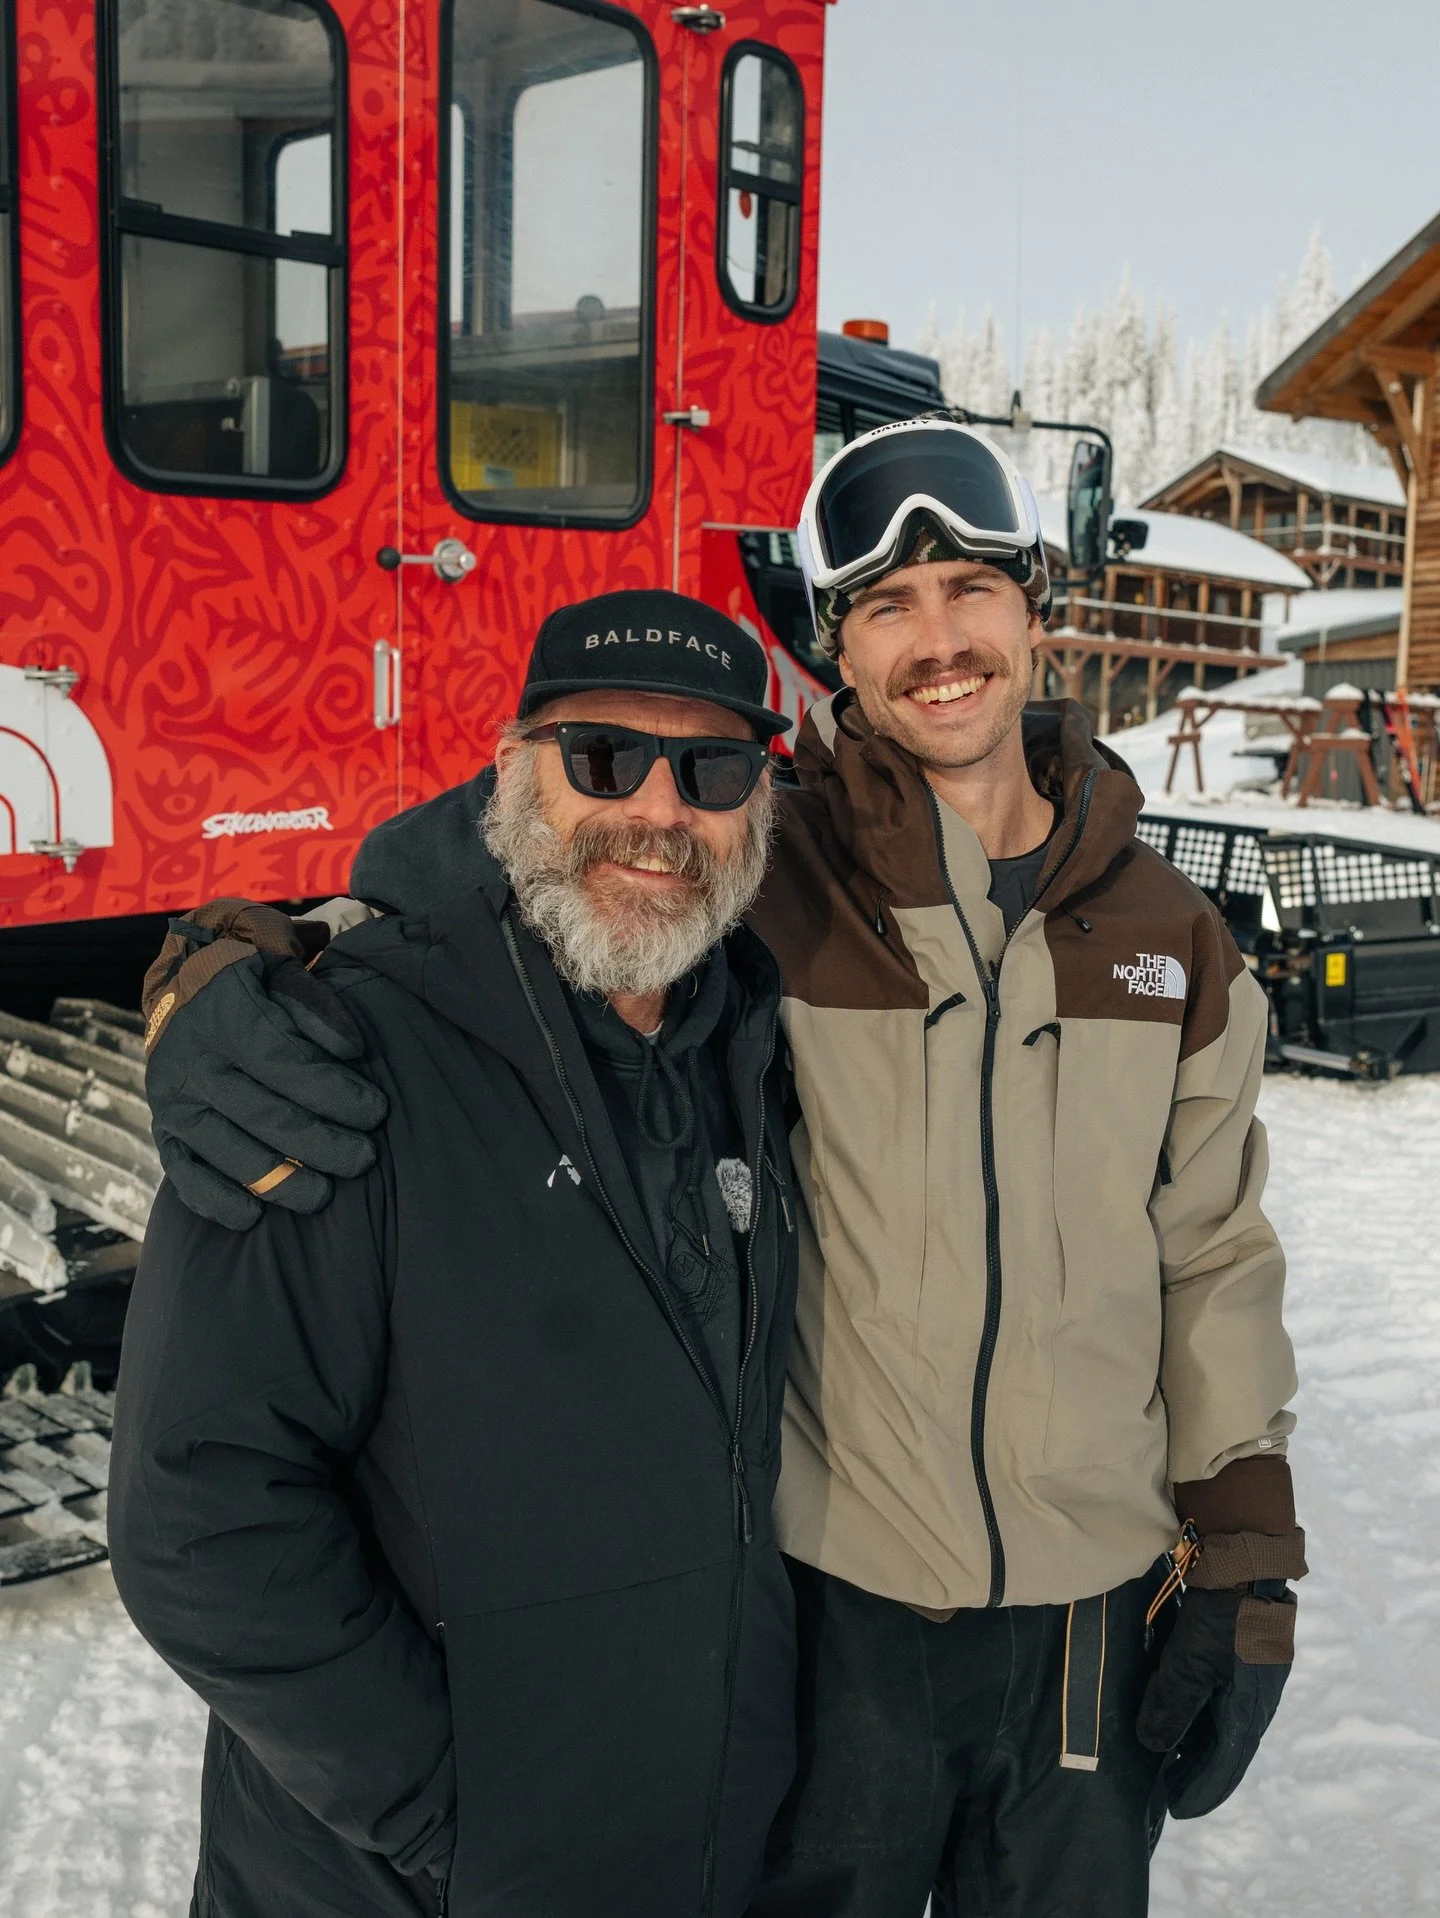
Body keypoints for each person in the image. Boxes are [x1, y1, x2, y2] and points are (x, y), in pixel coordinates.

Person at [136, 422, 1303, 1917]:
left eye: (972, 591)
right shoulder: (776, 866)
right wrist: (225, 966)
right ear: (837, 653)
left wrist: (1246, 1547)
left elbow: (1214, 1249)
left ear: (1036, 612)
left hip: (1088, 1607)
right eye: (889, 606)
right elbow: (497, 863)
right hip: (844, 1609)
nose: (939, 641)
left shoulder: (1167, 932)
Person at [108, 592, 801, 1918]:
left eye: (713, 769)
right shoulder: (328, 1061)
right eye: (604, 755)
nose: (660, 810)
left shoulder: (749, 1047)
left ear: (759, 803)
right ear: (511, 770)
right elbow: (199, 1512)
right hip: (407, 1881)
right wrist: (451, 1809)